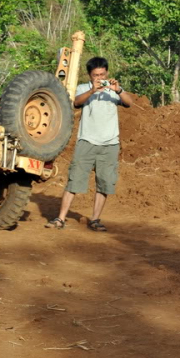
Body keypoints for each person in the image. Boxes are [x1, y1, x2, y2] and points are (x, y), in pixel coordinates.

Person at [46, 57, 133, 232]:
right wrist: (93, 90)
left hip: (110, 144)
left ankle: (95, 219)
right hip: (87, 141)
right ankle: (61, 218)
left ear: (107, 73)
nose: (99, 78)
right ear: (90, 75)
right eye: (95, 75)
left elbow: (129, 103)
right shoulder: (84, 88)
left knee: (105, 183)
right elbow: (77, 102)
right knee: (74, 180)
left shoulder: (113, 90)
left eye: (102, 74)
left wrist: (119, 89)